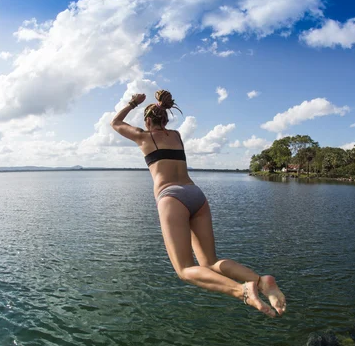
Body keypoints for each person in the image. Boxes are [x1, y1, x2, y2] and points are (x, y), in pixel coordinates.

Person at [110, 90, 286, 317]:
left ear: (146, 121)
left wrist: (134, 102)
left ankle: (243, 290)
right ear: (166, 118)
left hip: (171, 197)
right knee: (210, 261)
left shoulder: (144, 137)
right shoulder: (176, 135)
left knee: (184, 269)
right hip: (196, 195)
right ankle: (261, 281)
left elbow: (115, 123)